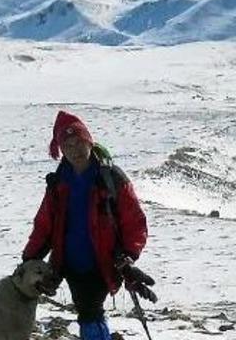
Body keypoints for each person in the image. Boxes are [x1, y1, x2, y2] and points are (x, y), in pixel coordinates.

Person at [22, 111, 149, 340]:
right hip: (68, 262)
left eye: (79, 142)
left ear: (89, 141)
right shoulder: (58, 182)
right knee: (89, 312)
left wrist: (129, 255)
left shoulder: (111, 178)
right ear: (60, 149)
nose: (75, 150)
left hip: (103, 261)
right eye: (67, 145)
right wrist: (29, 257)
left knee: (89, 311)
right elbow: (44, 224)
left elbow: (134, 222)